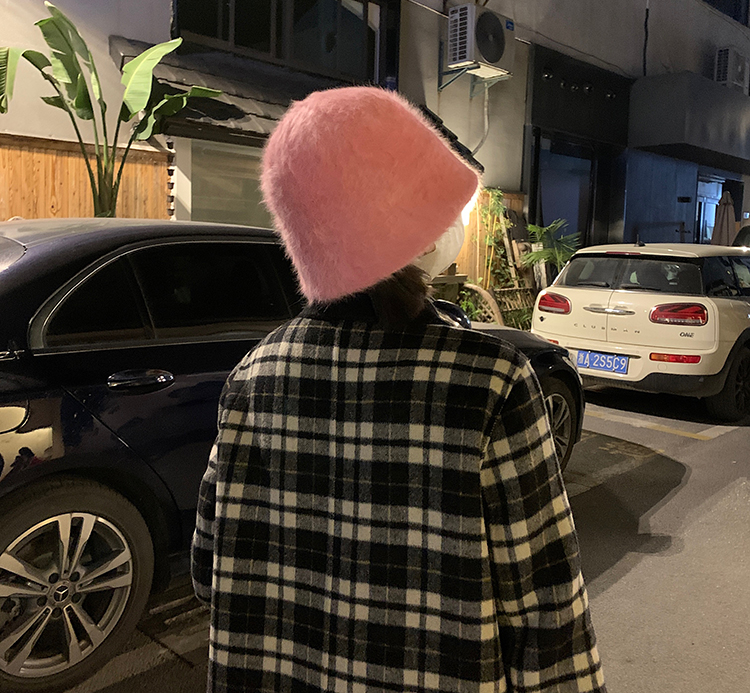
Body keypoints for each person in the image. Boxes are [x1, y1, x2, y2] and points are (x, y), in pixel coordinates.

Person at [191, 86, 605, 693]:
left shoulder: (253, 376)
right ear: (416, 230)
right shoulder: (492, 383)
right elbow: (546, 605)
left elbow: (208, 569)